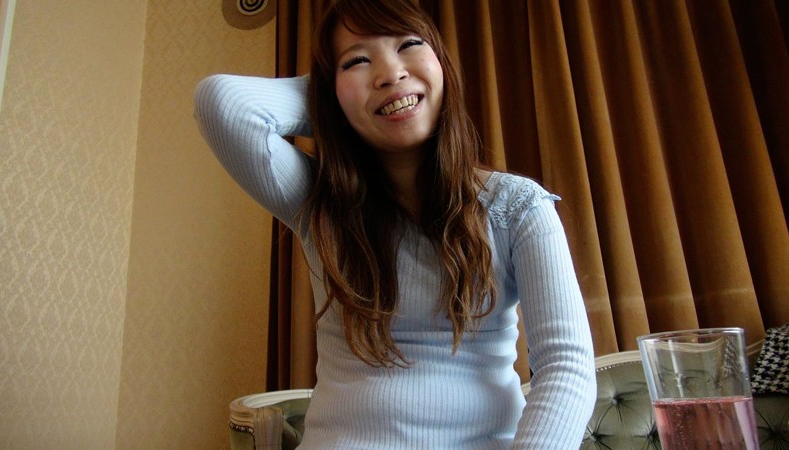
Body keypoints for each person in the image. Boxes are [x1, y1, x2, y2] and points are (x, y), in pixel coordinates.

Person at [194, 0, 596, 448]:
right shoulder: (319, 202)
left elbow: (566, 367)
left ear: (442, 63)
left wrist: (363, 88)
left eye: (408, 45)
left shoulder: (517, 207)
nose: (390, 73)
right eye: (357, 61)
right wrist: (335, 102)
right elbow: (223, 103)